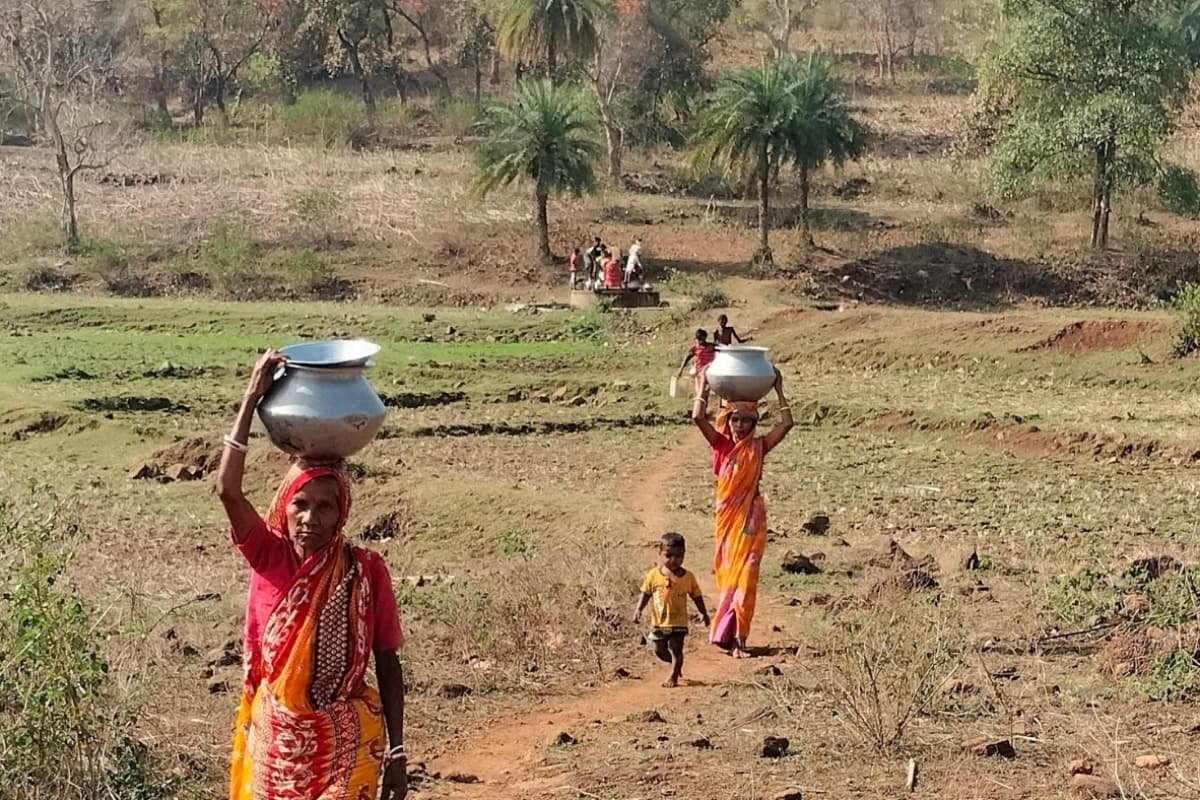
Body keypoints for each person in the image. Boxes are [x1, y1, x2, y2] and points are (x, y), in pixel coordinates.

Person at [219, 350, 408, 800]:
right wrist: (252, 397)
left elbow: (387, 661)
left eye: (326, 507)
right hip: (278, 739)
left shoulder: (364, 571)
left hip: (349, 738)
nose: (310, 518)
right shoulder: (270, 556)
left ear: (341, 514)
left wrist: (398, 754)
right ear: (283, 508)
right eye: (300, 504)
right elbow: (227, 490)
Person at [691, 370, 793, 659]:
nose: (739, 425)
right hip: (726, 521)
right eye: (735, 419)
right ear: (729, 421)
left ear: (753, 424)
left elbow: (788, 423)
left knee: (746, 577)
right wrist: (702, 387)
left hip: (751, 519)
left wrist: (779, 390)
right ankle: (726, 633)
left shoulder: (759, 447)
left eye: (746, 420)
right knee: (728, 577)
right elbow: (698, 418)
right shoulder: (722, 446)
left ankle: (741, 639)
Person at [633, 533, 710, 688]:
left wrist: (704, 613)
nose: (673, 560)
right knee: (658, 650)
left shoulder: (688, 577)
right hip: (659, 623)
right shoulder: (653, 575)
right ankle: (675, 665)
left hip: (678, 622)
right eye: (668, 555)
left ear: (684, 555)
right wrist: (638, 609)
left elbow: (696, 596)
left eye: (678, 556)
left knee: (676, 649)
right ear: (660, 554)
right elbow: (646, 593)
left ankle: (673, 676)